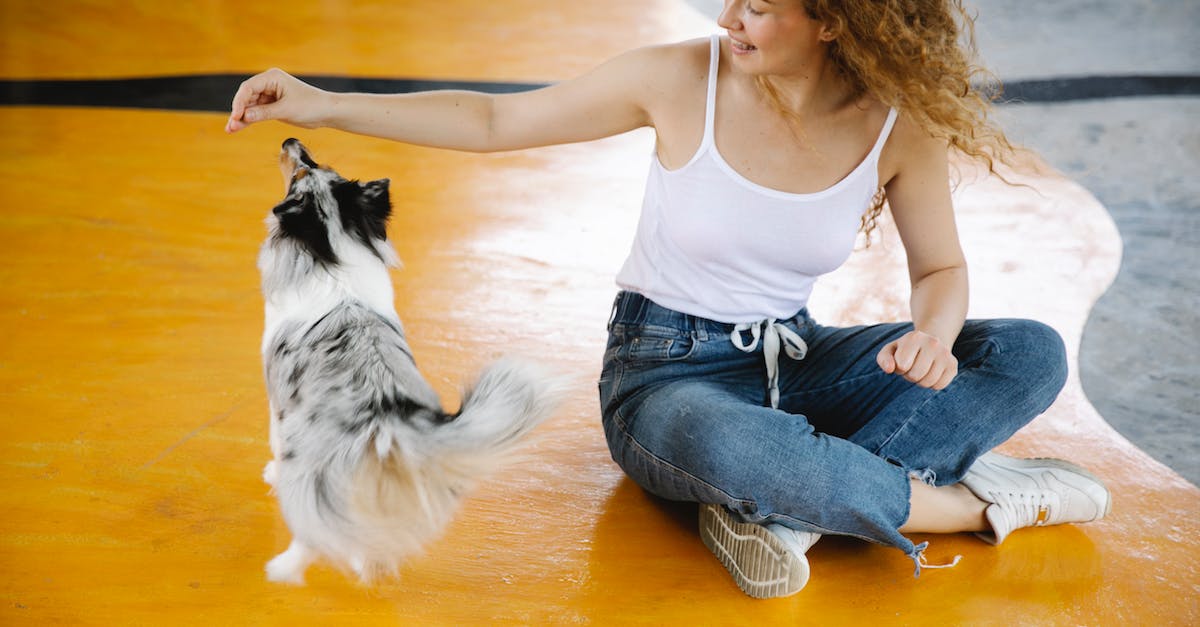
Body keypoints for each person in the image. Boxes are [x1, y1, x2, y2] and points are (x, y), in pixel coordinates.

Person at [227, 0, 1111, 598]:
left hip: (796, 362)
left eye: (760, 5)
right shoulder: (685, 77)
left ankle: (776, 503)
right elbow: (496, 122)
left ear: (837, 20)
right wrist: (322, 102)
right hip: (663, 377)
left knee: (1028, 350)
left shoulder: (894, 123)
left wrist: (934, 330)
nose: (729, 15)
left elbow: (941, 271)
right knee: (731, 440)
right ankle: (976, 502)